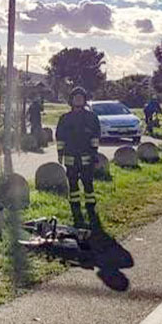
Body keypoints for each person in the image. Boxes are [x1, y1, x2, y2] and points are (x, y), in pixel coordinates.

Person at [56, 86, 102, 229]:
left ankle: (90, 206)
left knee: (88, 182)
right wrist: (60, 153)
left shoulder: (91, 118)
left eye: (81, 97)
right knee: (73, 183)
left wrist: (94, 153)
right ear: (71, 100)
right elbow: (60, 137)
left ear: (84, 100)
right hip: (70, 156)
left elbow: (95, 136)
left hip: (87, 156)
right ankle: (75, 205)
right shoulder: (65, 119)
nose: (78, 99)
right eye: (76, 97)